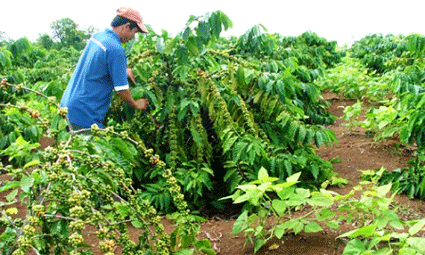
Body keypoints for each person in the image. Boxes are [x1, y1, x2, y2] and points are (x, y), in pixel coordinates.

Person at [60, 6, 149, 133]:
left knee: (68, 150)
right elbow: (121, 90)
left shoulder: (98, 37)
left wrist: (121, 70)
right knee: (91, 151)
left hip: (67, 105)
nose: (133, 38)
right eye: (134, 32)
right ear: (126, 26)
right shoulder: (116, 50)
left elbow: (97, 64)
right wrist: (136, 104)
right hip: (85, 114)